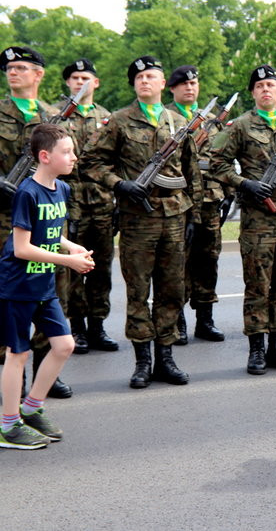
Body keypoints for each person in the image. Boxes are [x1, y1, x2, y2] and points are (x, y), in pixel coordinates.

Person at [82, 55, 202, 388]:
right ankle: (142, 361)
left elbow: (191, 173)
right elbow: (91, 162)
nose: (144, 81)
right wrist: (120, 185)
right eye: (138, 78)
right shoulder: (119, 121)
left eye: (151, 76)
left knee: (171, 289)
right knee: (138, 292)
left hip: (175, 218)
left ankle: (165, 357)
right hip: (138, 219)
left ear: (163, 84)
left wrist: (194, 214)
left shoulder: (179, 122)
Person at [209, 64, 276, 375]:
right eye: (259, 86)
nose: (265, 90)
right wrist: (245, 183)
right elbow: (216, 163)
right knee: (258, 285)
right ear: (253, 93)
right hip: (259, 218)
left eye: (271, 85)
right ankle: (256, 350)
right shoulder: (240, 126)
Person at [0, 123, 95, 449]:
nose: (73, 157)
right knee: (18, 354)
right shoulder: (28, 192)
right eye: (66, 152)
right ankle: (9, 426)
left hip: (43, 284)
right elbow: (22, 247)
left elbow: (51, 232)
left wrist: (70, 247)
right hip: (18, 285)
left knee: (64, 345)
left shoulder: (62, 190)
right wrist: (67, 261)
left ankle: (32, 408)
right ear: (45, 156)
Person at [0, 46, 74, 399]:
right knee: (10, 305)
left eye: (21, 67)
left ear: (39, 74)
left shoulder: (55, 117)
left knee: (45, 295)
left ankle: (45, 375)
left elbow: (67, 163)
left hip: (41, 218)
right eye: (9, 68)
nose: (13, 72)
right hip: (3, 219)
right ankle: (14, 382)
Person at [58, 58, 118, 354]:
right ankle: (77, 327)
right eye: (75, 78)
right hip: (69, 204)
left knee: (101, 267)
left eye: (86, 78)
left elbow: (117, 162)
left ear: (96, 83)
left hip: (102, 204)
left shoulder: (109, 118)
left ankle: (98, 327)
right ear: (68, 83)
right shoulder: (57, 118)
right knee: (71, 269)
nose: (80, 82)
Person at [165, 64, 227, 344]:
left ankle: (205, 319)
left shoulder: (213, 121)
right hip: (180, 200)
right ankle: (177, 321)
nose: (190, 87)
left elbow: (224, 159)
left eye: (194, 83)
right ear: (172, 88)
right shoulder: (166, 118)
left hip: (211, 201)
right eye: (183, 84)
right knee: (178, 262)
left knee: (208, 261)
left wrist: (227, 195)